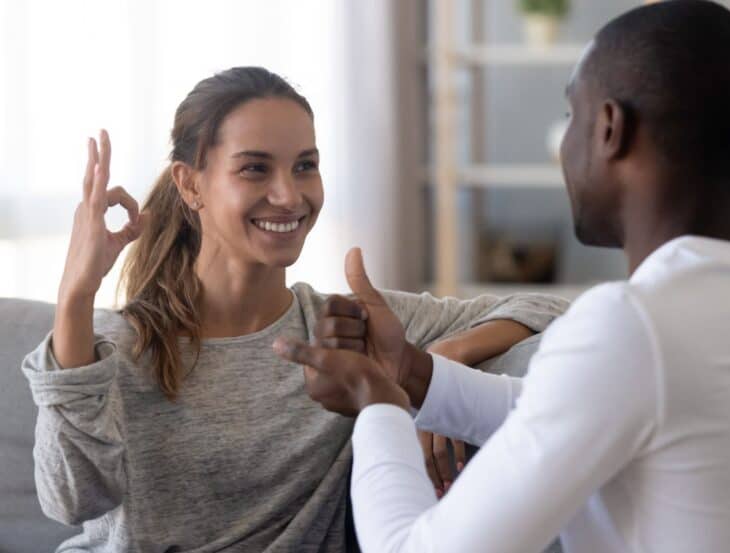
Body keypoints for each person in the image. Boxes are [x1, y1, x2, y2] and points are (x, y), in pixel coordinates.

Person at [274, 2, 730, 551]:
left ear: (609, 129)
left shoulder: (632, 325)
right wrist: (410, 371)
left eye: (570, 118)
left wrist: (377, 402)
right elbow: (562, 406)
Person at [21, 67, 567, 552]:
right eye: (255, 169)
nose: (289, 195)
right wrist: (75, 297)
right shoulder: (119, 343)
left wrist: (431, 369)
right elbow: (73, 500)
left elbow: (547, 309)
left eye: (304, 166)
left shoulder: (342, 330)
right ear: (191, 185)